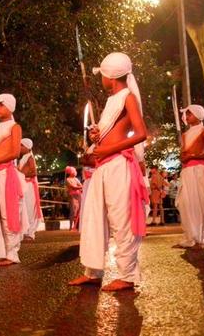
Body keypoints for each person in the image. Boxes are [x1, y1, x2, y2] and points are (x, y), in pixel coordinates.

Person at [69, 52, 148, 291]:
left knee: (120, 220)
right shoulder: (112, 100)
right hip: (102, 166)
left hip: (117, 166)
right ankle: (92, 271)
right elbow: (109, 132)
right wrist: (97, 135)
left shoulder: (128, 98)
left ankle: (127, 275)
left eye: (102, 75)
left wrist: (107, 148)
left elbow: (141, 133)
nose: (100, 79)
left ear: (110, 77)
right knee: (93, 219)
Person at [0, 93, 29, 266]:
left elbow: (14, 153)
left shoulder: (14, 126)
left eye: (1, 105)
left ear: (10, 107)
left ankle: (11, 254)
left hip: (5, 173)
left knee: (7, 213)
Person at [175, 105, 204, 249]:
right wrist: (184, 157)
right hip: (186, 172)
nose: (186, 117)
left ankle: (200, 237)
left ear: (198, 115)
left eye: (189, 114)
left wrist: (194, 156)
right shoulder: (185, 135)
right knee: (186, 203)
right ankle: (189, 237)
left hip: (198, 171)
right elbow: (182, 154)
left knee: (200, 204)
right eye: (186, 114)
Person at [18, 138, 43, 240]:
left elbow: (34, 172)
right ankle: (26, 231)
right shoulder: (25, 157)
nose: (19, 148)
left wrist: (21, 173)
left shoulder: (30, 157)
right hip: (25, 184)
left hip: (29, 185)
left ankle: (30, 232)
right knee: (25, 207)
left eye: (21, 145)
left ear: (27, 147)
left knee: (29, 207)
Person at [65, 166, 82, 230]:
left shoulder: (76, 179)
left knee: (79, 210)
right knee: (73, 211)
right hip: (72, 196)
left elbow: (79, 185)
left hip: (78, 195)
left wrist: (78, 187)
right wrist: (79, 187)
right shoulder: (68, 179)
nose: (75, 173)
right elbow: (73, 187)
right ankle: (70, 226)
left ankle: (77, 225)